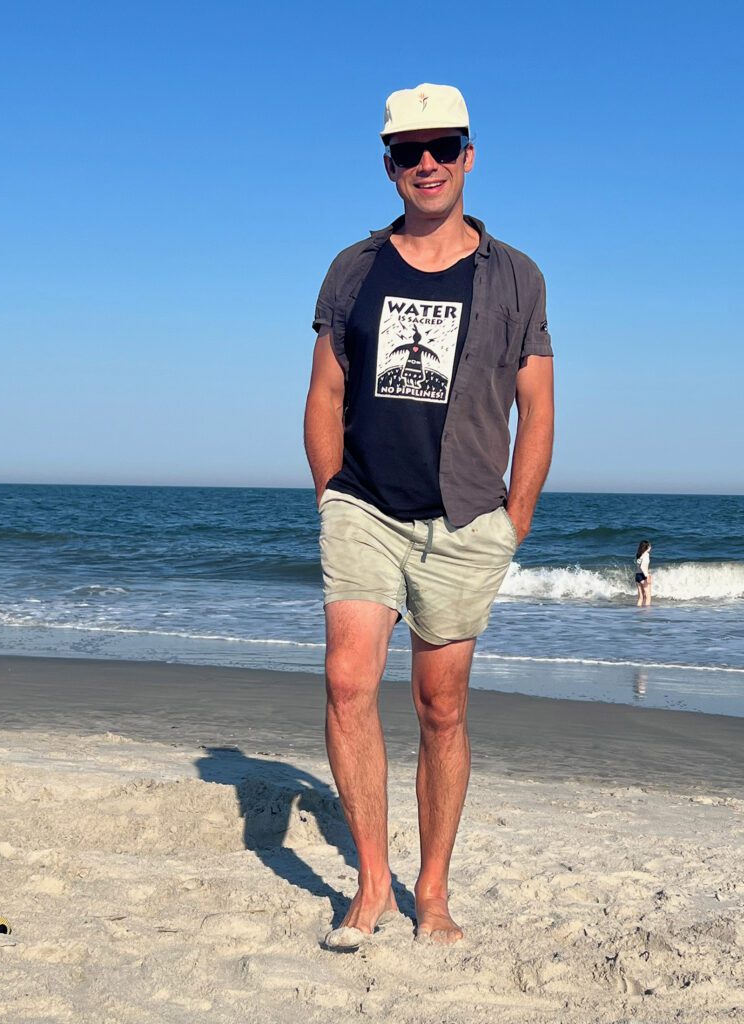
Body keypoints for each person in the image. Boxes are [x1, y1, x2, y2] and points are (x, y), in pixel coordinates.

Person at [303, 83, 554, 948]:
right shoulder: (354, 268)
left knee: (439, 707)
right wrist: (332, 494)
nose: (427, 164)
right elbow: (325, 390)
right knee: (347, 682)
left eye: (442, 147)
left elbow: (537, 407)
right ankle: (373, 885)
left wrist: (514, 519)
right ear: (389, 167)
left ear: (467, 156)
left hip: (466, 519)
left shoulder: (516, 276)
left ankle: (434, 892)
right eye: (408, 152)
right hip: (365, 509)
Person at [635, 540, 652, 606]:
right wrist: (647, 575)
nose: (651, 547)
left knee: (641, 597)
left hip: (637, 575)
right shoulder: (646, 555)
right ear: (646, 547)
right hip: (643, 575)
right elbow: (642, 567)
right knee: (648, 597)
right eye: (649, 546)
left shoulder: (639, 555)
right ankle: (647, 611)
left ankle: (639, 610)